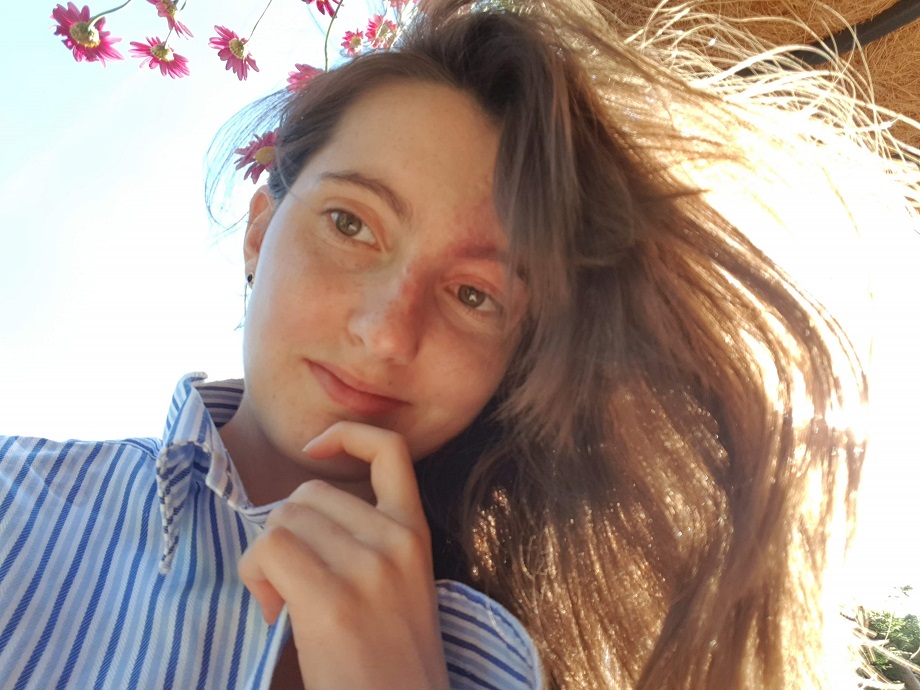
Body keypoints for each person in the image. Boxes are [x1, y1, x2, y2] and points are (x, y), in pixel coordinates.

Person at [2, 0, 918, 688]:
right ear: (257, 232)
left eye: (476, 294)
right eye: (350, 225)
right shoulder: (18, 507)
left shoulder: (537, 657)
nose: (386, 331)